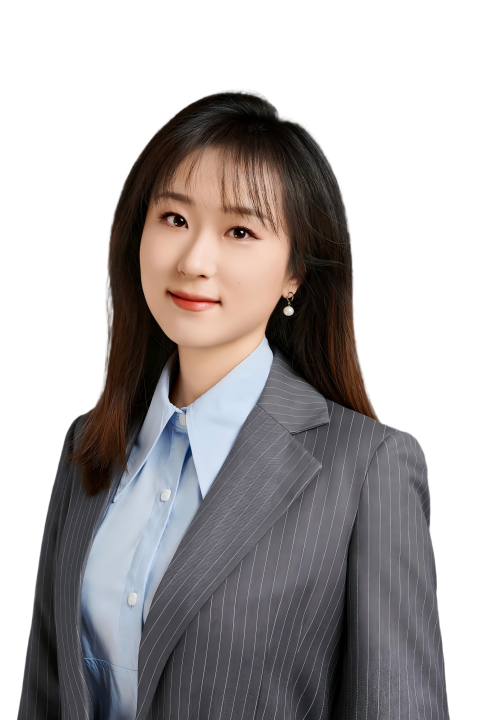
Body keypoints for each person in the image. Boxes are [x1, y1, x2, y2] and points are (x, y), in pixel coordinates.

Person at [18, 88, 450, 719]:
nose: (195, 260)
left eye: (240, 230)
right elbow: (45, 694)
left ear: (295, 273)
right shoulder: (89, 446)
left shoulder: (369, 469)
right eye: (174, 219)